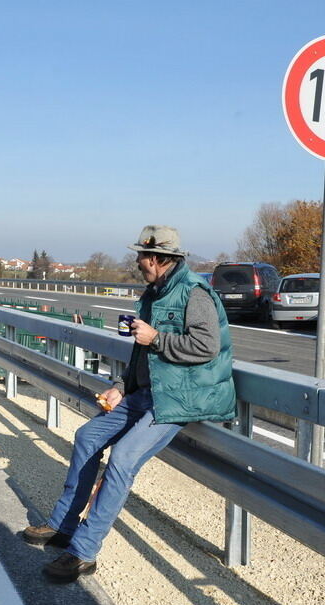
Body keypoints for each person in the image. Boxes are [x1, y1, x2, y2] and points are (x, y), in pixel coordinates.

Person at [23, 225, 236, 584]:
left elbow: (207, 347)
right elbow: (142, 352)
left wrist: (156, 338)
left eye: (141, 255)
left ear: (158, 259)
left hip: (179, 397)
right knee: (88, 436)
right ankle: (63, 525)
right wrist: (122, 386)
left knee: (122, 459)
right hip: (146, 392)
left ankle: (83, 552)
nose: (137, 261)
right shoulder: (153, 294)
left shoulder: (193, 293)